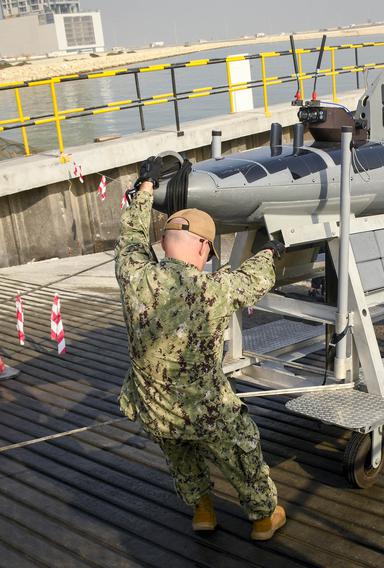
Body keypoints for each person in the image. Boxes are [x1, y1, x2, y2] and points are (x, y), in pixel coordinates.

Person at [114, 157, 287, 540]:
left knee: (180, 453)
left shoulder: (133, 275)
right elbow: (252, 279)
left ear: (163, 243)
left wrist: (144, 190)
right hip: (206, 408)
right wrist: (272, 251)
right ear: (204, 249)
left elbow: (130, 238)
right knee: (242, 449)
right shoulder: (213, 289)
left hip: (154, 407)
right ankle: (262, 517)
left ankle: (203, 511)